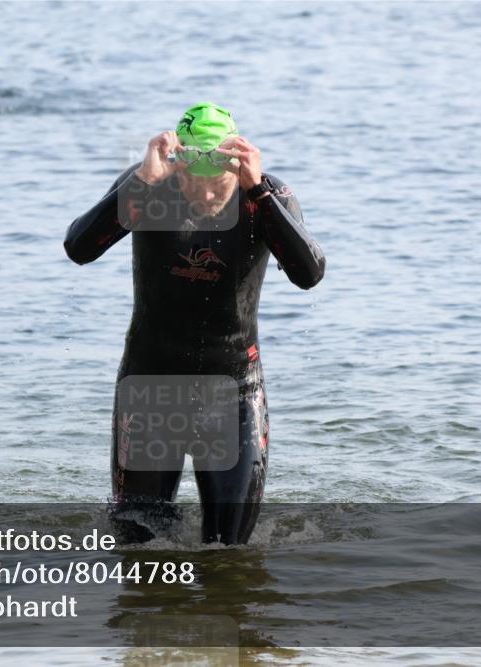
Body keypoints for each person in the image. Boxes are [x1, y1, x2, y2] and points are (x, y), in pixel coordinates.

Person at [64, 102, 326, 545]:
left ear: (236, 165)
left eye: (217, 183)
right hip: (148, 389)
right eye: (192, 182)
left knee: (231, 551)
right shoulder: (149, 185)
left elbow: (309, 273)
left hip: (234, 392)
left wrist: (258, 191)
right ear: (177, 166)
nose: (205, 195)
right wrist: (143, 181)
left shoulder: (264, 195)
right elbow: (80, 248)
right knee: (138, 542)